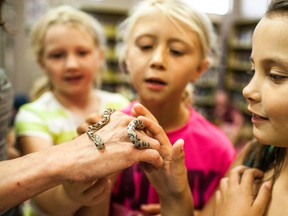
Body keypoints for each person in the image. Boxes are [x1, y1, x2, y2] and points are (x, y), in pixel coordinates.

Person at [80, 0, 236, 215]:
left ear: (200, 69)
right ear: (126, 57)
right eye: (145, 46)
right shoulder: (105, 132)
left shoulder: (219, 150)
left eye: (177, 51)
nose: (157, 60)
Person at [212, 0, 288, 215]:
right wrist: (175, 193)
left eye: (275, 76)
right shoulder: (253, 156)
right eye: (252, 70)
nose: (247, 90)